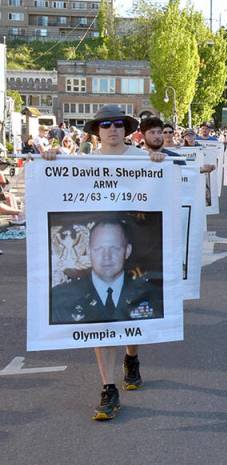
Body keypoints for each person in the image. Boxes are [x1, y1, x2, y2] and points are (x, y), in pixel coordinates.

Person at [40, 105, 167, 421]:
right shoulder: (84, 161)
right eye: (106, 124)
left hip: (134, 243)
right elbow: (59, 189)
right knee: (101, 320)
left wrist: (160, 164)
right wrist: (49, 162)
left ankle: (132, 357)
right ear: (97, 131)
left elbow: (165, 191)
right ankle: (108, 387)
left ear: (126, 129)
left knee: (131, 311)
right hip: (100, 245)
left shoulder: (141, 159)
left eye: (119, 124)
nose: (113, 129)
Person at [51, 218, 164, 324]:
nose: (106, 256)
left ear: (127, 251)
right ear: (89, 252)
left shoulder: (153, 296)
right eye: (99, 249)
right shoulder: (60, 299)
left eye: (114, 248)